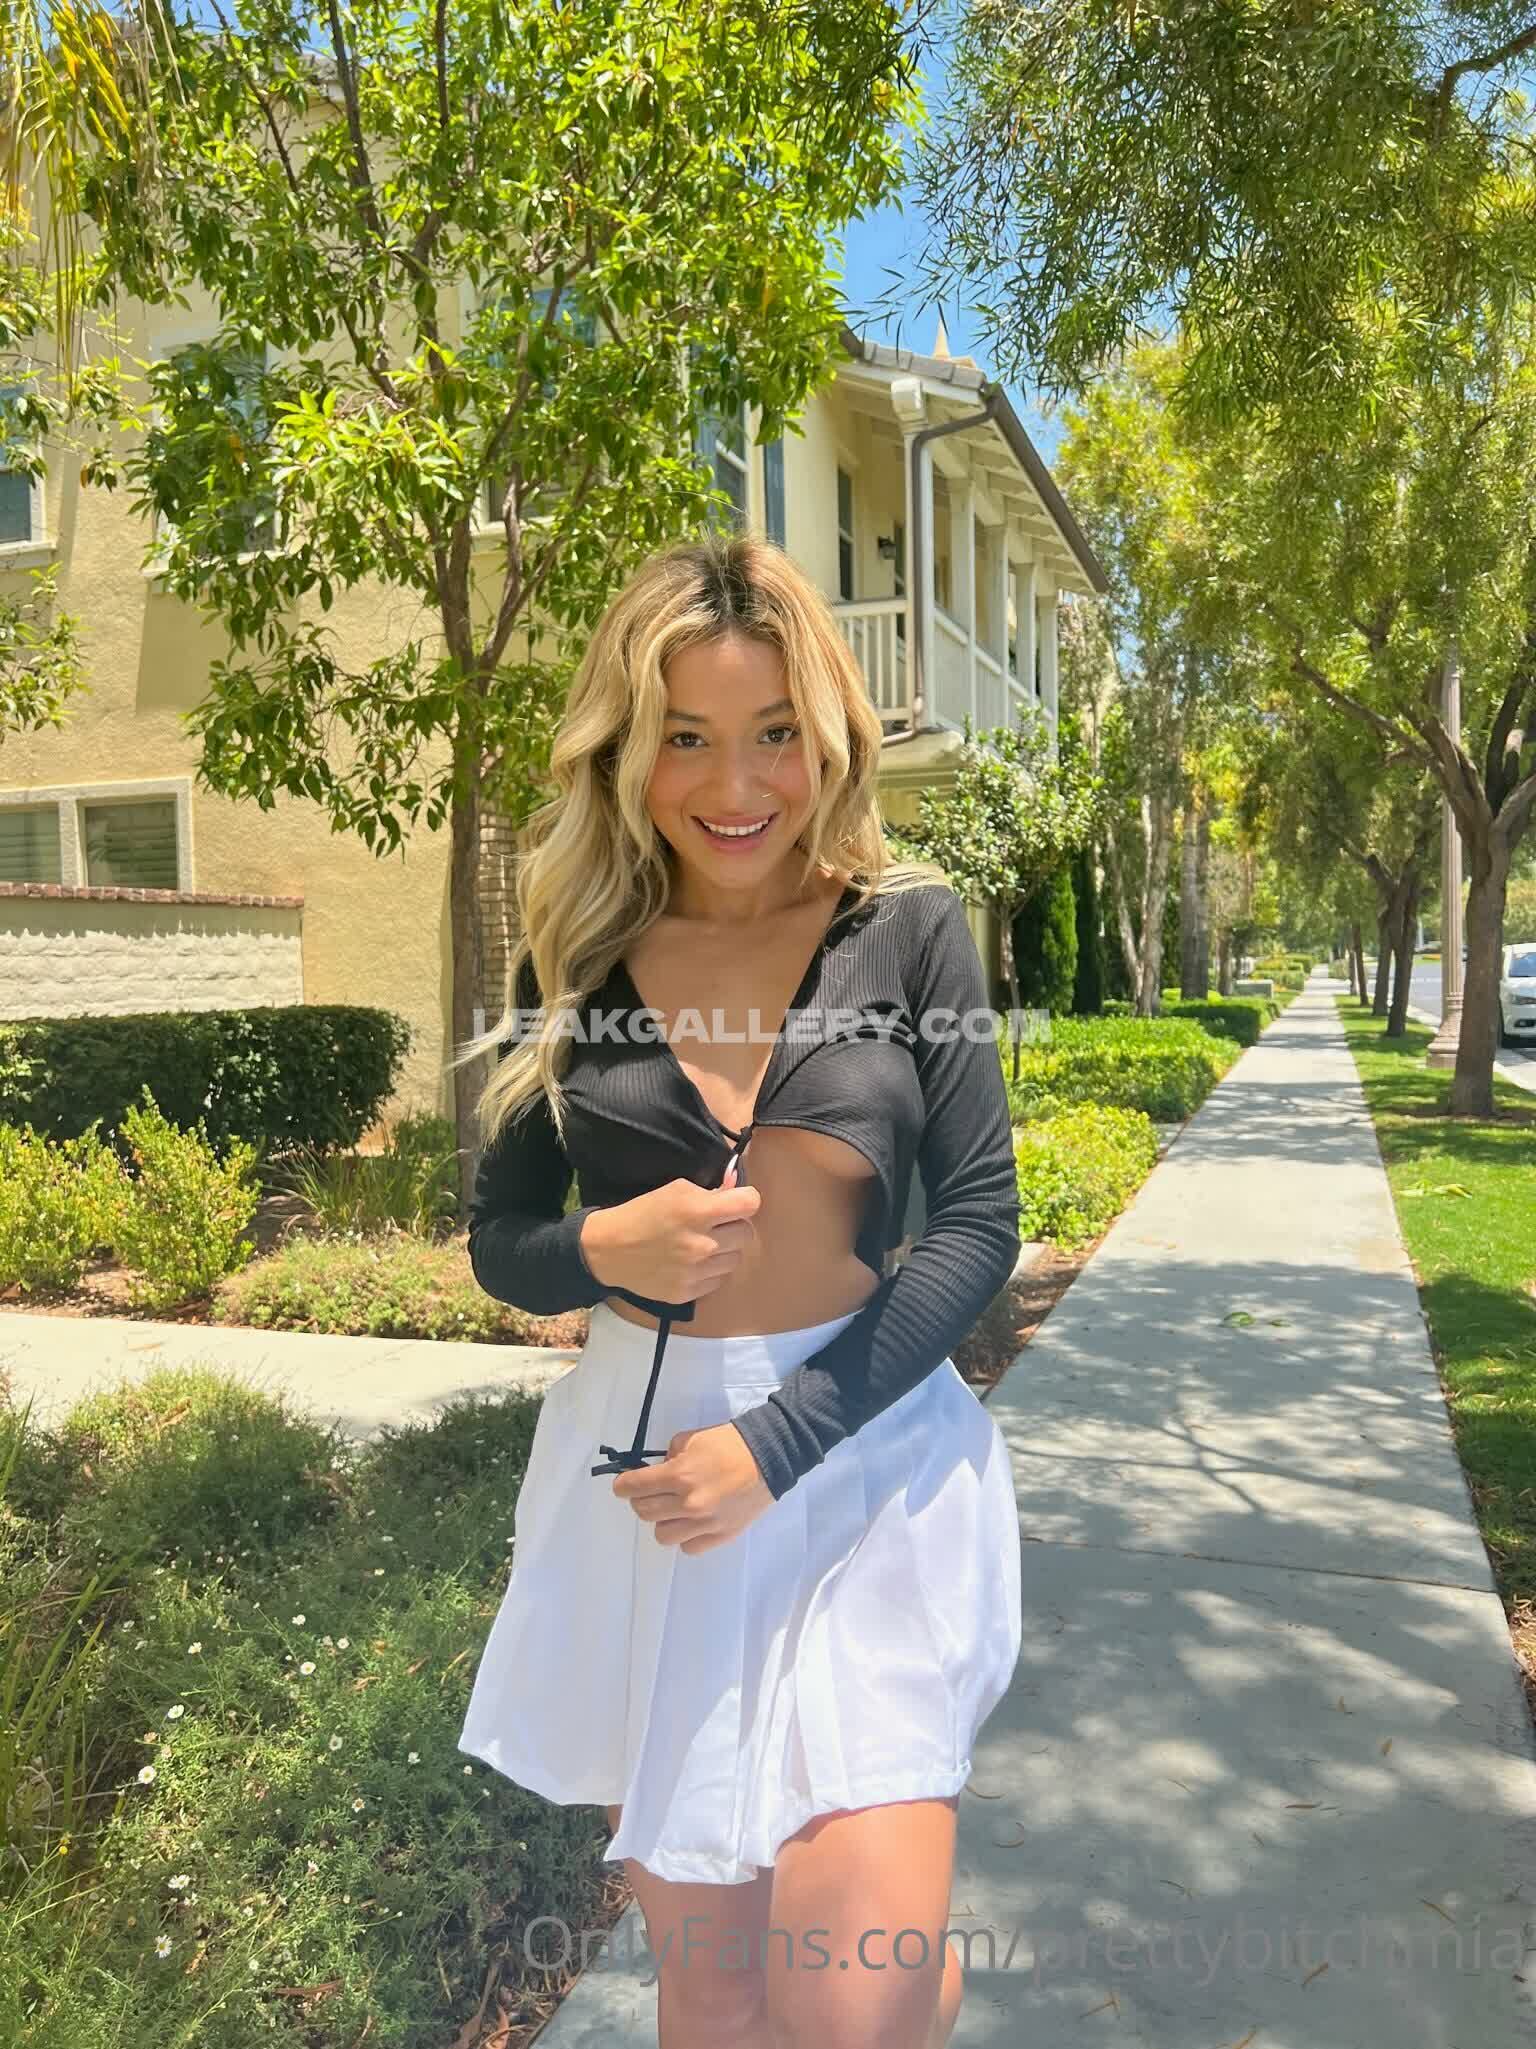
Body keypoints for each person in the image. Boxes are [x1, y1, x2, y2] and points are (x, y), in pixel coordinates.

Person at [455, 532, 1023, 2049]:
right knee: (713, 1997)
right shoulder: (575, 951)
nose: (736, 782)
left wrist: (776, 1446)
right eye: (687, 737)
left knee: (856, 2004)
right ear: (627, 750)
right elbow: (498, 1236)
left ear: (827, 733)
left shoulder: (909, 928)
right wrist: (603, 1250)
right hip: (650, 1490)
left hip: (860, 1456)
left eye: (774, 730)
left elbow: (980, 1224)